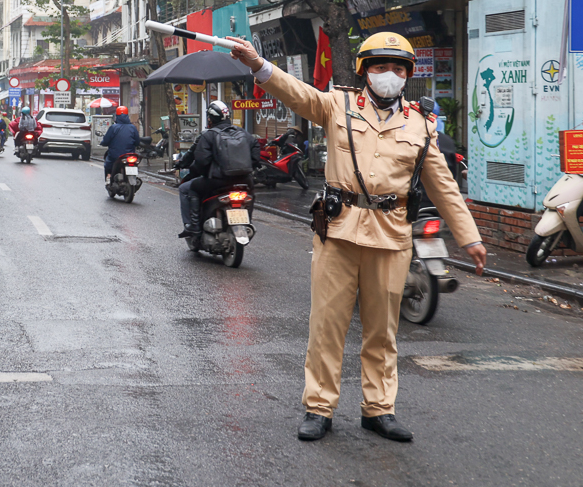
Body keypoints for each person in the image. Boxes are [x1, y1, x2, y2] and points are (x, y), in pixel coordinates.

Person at [228, 31, 486, 444]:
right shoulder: (338, 105)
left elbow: (443, 185)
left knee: (382, 331)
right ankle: (319, 407)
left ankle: (379, 409)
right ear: (365, 71)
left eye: (397, 68)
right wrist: (258, 65)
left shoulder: (420, 125)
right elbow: (297, 93)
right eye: (381, 67)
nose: (389, 75)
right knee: (327, 326)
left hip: (391, 236)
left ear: (408, 75)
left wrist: (469, 237)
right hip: (339, 231)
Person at [176, 100, 259, 246]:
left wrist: (202, 172)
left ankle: (194, 228)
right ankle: (248, 222)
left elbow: (201, 162)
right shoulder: (244, 133)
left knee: (189, 189)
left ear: (210, 118)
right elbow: (256, 158)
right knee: (250, 195)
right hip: (245, 181)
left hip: (218, 182)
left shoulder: (208, 135)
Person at [100, 106, 140, 180]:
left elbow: (106, 140)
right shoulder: (133, 128)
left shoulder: (113, 128)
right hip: (130, 155)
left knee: (108, 164)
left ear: (117, 116)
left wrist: (103, 143)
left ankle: (109, 177)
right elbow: (137, 142)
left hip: (115, 155)